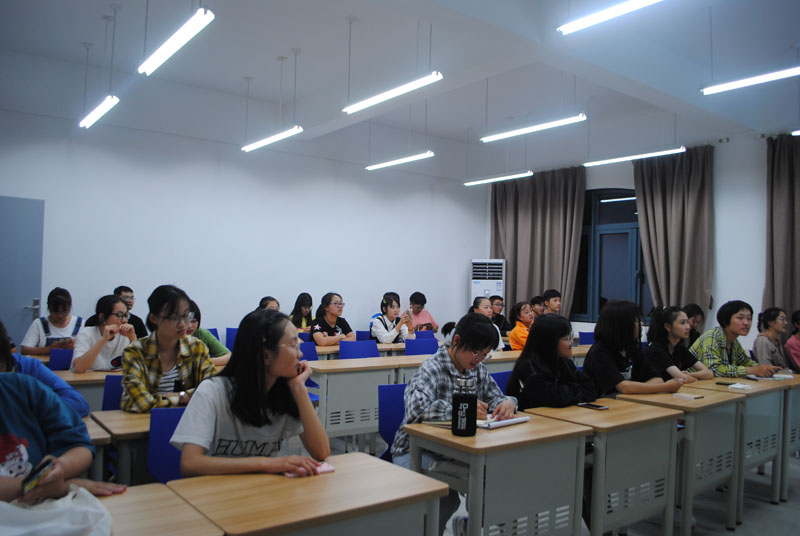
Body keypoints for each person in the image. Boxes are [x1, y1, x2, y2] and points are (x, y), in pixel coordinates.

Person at [391, 313, 517, 536]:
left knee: (495, 481)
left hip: (457, 451)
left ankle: (471, 526)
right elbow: (416, 409)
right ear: (457, 341)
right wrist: (462, 409)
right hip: (415, 451)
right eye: (476, 352)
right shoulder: (432, 368)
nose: (479, 360)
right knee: (446, 497)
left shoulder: (477, 368)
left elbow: (496, 397)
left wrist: (508, 403)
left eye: (485, 355)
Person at [170, 309, 330, 477]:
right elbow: (190, 463)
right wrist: (265, 464)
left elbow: (321, 452)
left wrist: (300, 389)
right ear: (266, 355)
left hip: (261, 489)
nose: (300, 354)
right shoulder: (212, 391)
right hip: (215, 489)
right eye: (293, 345)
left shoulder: (285, 392)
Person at [120, 285, 216, 413]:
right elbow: (142, 403)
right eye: (174, 318)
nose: (183, 324)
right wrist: (184, 397)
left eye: (186, 315)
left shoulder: (196, 347)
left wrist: (172, 397)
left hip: (186, 419)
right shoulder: (135, 352)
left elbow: (212, 390)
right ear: (154, 318)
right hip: (143, 420)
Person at [583, 300, 684, 396]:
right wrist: (666, 387)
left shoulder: (631, 349)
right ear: (621, 325)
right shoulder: (600, 353)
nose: (641, 324)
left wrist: (636, 389)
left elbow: (657, 379)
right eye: (635, 320)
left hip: (628, 402)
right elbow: (624, 387)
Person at [0, 319, 89, 417]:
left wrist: (31, 412)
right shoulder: (39, 323)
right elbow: (25, 349)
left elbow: (78, 403)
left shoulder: (29, 367)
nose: (60, 315)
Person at [507, 314, 596, 409]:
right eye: (566, 339)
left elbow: (590, 390)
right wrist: (574, 388)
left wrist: (565, 391)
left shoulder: (564, 362)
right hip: (534, 416)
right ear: (550, 342)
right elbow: (554, 399)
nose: (571, 342)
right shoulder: (529, 367)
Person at [689, 300, 782, 378]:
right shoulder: (712, 337)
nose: (746, 323)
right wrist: (753, 370)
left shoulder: (734, 342)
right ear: (726, 320)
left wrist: (765, 368)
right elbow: (714, 370)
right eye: (740, 318)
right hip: (694, 386)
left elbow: (746, 362)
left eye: (749, 318)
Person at [642, 306, 713, 383]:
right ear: (668, 327)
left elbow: (709, 373)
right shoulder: (656, 349)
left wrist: (690, 375)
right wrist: (692, 377)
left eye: (687, 322)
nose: (688, 327)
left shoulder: (679, 347)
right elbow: (682, 378)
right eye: (682, 323)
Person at [71, 295, 137, 373]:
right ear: (102, 317)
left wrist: (133, 338)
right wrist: (103, 339)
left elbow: (142, 367)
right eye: (119, 315)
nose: (124, 320)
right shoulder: (85, 334)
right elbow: (79, 368)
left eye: (126, 315)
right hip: (88, 380)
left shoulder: (125, 336)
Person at [20, 287, 83, 356]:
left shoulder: (80, 323)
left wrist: (74, 348)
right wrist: (48, 349)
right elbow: (24, 350)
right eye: (56, 312)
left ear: (70, 307)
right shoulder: (39, 323)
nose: (60, 316)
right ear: (49, 308)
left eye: (64, 312)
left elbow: (88, 350)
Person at [186, 299, 231, 367]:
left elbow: (228, 356)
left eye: (193, 321)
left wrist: (204, 362)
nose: (190, 326)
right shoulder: (171, 338)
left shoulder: (202, 334)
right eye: (186, 321)